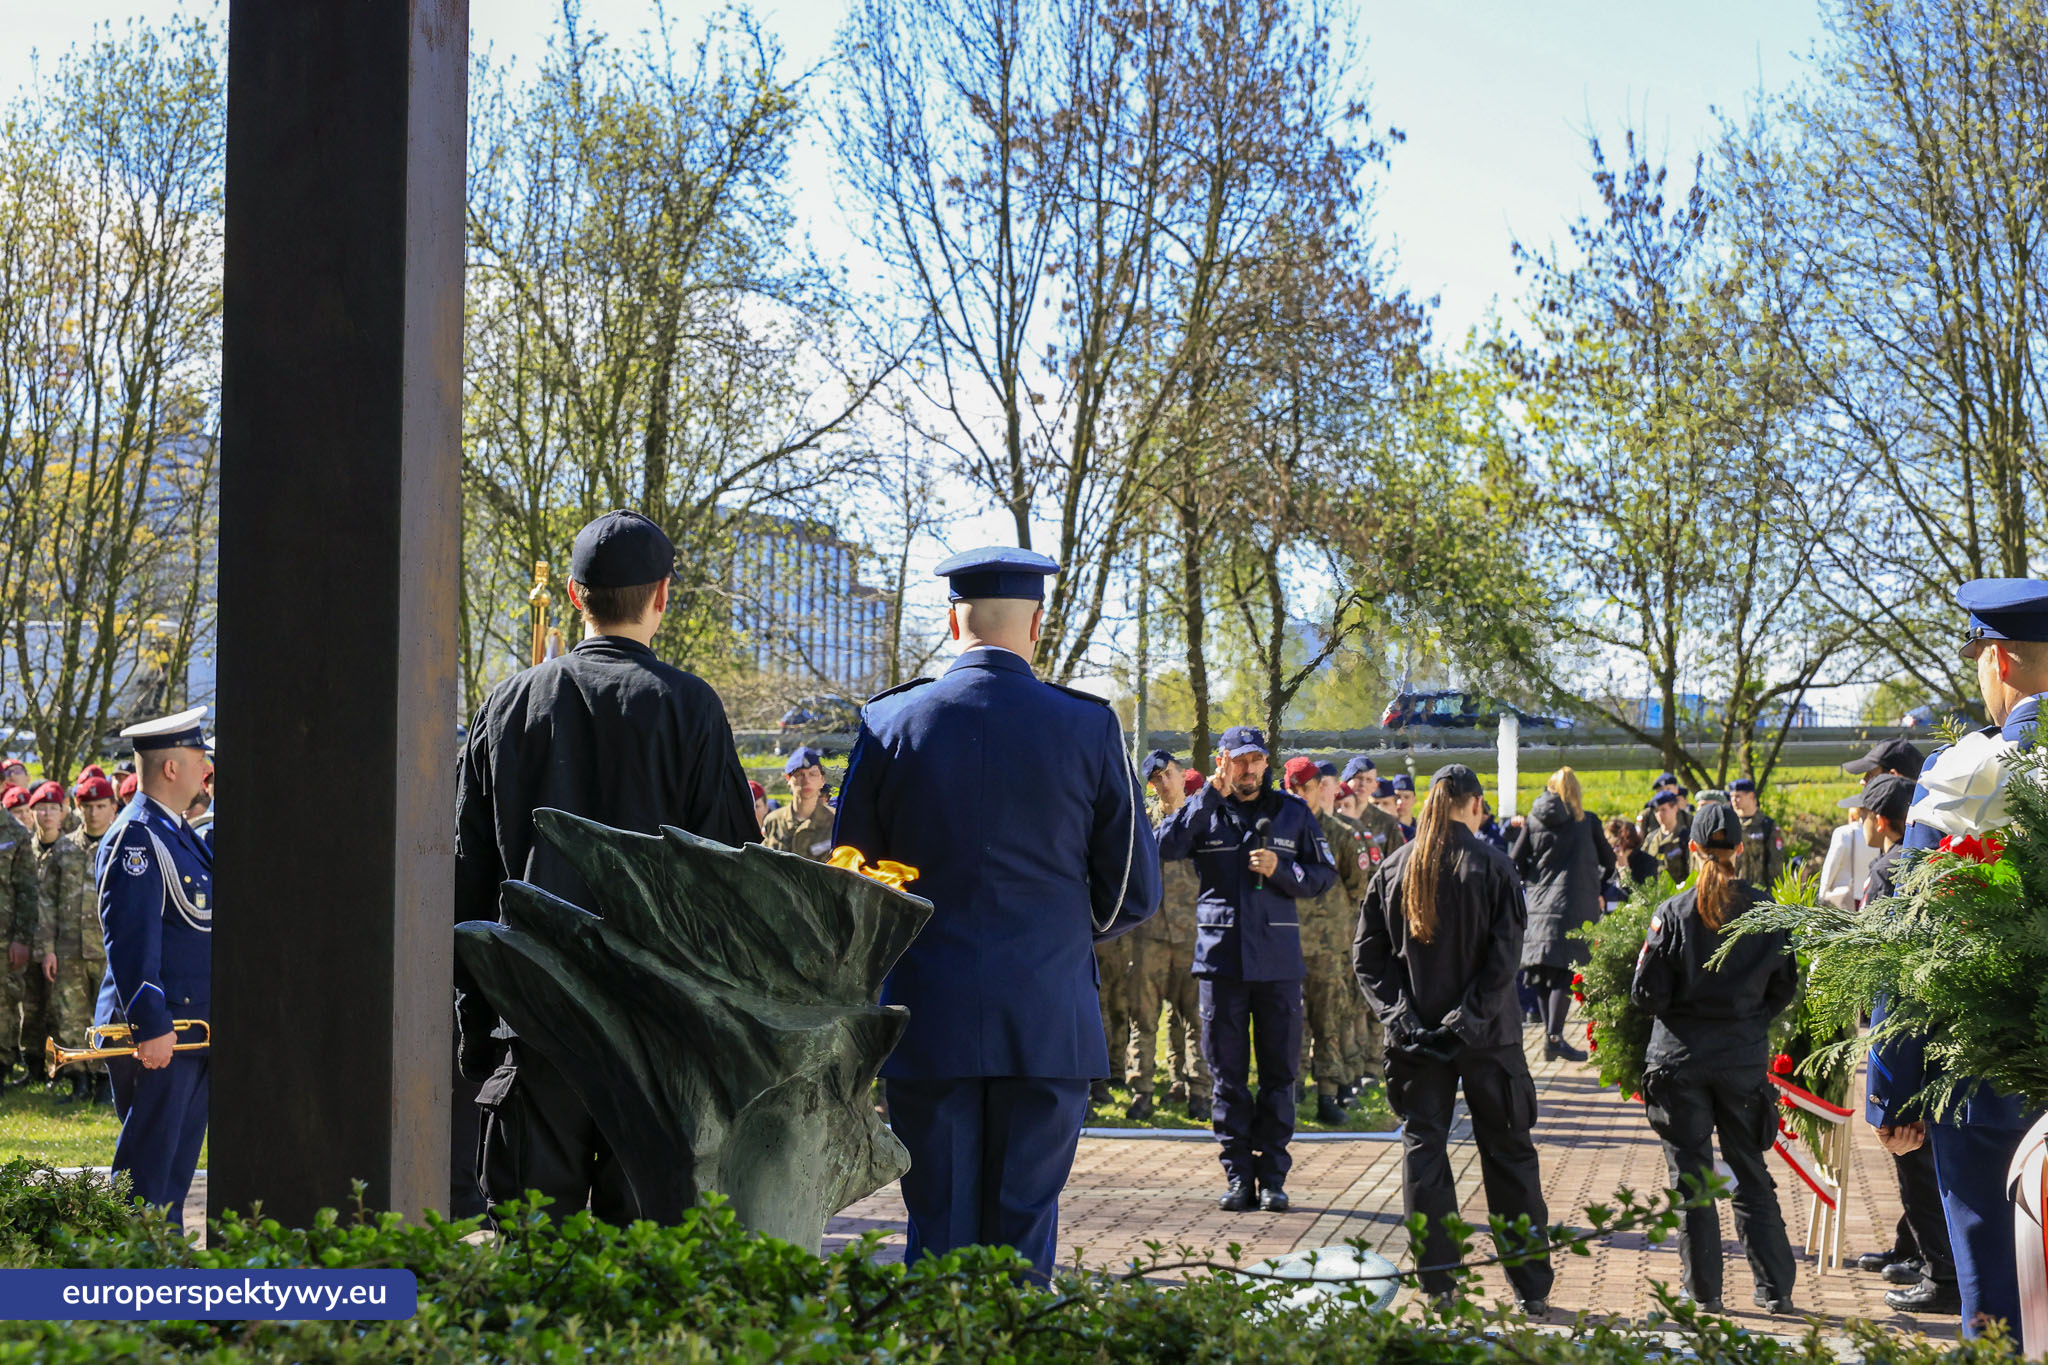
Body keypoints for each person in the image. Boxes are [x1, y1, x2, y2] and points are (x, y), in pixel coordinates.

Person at [832, 547, 1159, 1276]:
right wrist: (1055, 937)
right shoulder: (1089, 727)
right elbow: (1134, 890)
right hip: (1047, 1016)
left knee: (938, 1235)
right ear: (1037, 625)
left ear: (953, 619)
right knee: (1023, 1242)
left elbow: (849, 879)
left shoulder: (890, 722)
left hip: (928, 1013)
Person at [455, 509, 757, 1224]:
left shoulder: (506, 706)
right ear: (662, 594)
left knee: (532, 1255)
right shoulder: (690, 709)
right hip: (654, 1037)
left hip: (535, 1025)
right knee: (648, 1261)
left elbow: (466, 880)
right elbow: (733, 886)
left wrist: (476, 1028)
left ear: (572, 594)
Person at [1879, 579, 2048, 1339]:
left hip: (1986, 1086)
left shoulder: (1965, 775)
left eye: (1979, 655)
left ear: (2001, 659)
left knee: (2001, 1318)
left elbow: (1911, 945)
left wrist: (1894, 1088)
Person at [1354, 764, 1553, 1313]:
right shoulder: (1493, 866)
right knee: (1509, 1154)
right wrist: (1465, 1020)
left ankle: (1439, 1283)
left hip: (1420, 1042)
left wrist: (1402, 1018)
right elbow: (1504, 957)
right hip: (1488, 1040)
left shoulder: (1395, 867)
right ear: (1472, 805)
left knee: (1425, 1152)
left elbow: (1368, 958)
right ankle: (1531, 1287)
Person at [1628, 800, 1800, 1314]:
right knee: (1750, 1171)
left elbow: (1646, 993)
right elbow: (1784, 989)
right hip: (1741, 1061)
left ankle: (1702, 1291)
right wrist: (1745, 1018)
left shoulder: (1673, 914)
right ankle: (1775, 1290)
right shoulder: (1770, 913)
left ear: (1693, 849)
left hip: (1679, 1061)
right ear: (1742, 851)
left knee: (1693, 1179)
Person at [1156, 725, 1333, 1212]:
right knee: (1227, 1077)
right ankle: (1238, 1176)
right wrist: (1206, 797)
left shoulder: (1292, 813)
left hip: (1278, 965)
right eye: (1240, 761)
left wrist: (1284, 872)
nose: (1250, 769)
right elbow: (1164, 847)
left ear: (1266, 762)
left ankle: (1273, 1176)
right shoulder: (1206, 813)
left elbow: (1323, 875)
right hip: (1221, 964)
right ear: (1223, 762)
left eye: (1257, 760)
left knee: (1280, 1073)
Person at [1843, 773, 1958, 1316]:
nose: (1859, 822)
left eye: (1865, 813)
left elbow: (1892, 973)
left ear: (1885, 820)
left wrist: (1890, 1093)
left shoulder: (1896, 871)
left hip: (1916, 1042)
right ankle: (1925, 1255)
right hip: (1944, 1042)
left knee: (1916, 1161)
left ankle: (1940, 1272)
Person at [97, 707, 214, 1227]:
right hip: (164, 1034)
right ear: (172, 768)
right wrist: (152, 1025)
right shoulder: (138, 838)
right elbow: (130, 938)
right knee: (146, 1179)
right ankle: (129, 1287)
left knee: (170, 1174)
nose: (206, 768)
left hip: (191, 1033)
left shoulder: (177, 833)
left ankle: (157, 1282)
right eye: (199, 757)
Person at [1125, 750, 1210, 1122]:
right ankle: (1140, 1093)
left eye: (1168, 774)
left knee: (1197, 1018)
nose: (1163, 782)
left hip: (1193, 935)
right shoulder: (1142, 824)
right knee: (1143, 1019)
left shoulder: (1203, 822)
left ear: (1182, 774)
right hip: (1151, 937)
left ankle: (1200, 1093)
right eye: (1155, 778)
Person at [1283, 757, 1366, 1125]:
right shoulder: (1278, 835)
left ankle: (1328, 1092)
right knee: (1289, 1021)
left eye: (1314, 788)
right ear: (1291, 790)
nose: (1310, 796)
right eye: (1301, 789)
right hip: (1286, 942)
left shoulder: (1340, 834)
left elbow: (1356, 887)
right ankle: (1291, 1087)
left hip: (1330, 946)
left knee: (1328, 1020)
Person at [1512, 768, 1614, 1063]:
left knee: (1544, 972)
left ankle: (1550, 1037)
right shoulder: (1588, 822)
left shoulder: (1532, 821)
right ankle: (1554, 1038)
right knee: (1565, 973)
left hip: (1540, 906)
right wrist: (1598, 885)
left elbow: (1515, 862)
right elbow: (1608, 861)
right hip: (1575, 906)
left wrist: (1535, 876)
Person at [45, 775, 117, 1102]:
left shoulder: (121, 845)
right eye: (87, 806)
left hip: (108, 949)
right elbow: (46, 902)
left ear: (113, 807)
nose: (93, 813)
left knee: (108, 1018)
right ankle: (79, 1081)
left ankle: (105, 1082)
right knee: (71, 1016)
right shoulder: (64, 849)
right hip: (69, 949)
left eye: (101, 806)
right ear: (78, 807)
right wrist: (47, 948)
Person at [1820, 740, 1924, 911]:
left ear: (1893, 776)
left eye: (1870, 774)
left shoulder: (1902, 855)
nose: (1863, 781)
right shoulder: (1910, 838)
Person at [22, 782, 70, 1082]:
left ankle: (63, 1071)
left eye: (53, 808)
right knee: (29, 1007)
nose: (47, 814)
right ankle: (33, 1067)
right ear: (32, 812)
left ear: (63, 812)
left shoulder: (70, 850)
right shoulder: (22, 848)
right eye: (41, 808)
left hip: (62, 943)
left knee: (60, 1008)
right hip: (26, 939)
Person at [0, 783, 39, 1083]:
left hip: (4, 936)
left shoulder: (15, 834)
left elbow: (27, 891)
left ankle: (1, 1067)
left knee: (4, 1003)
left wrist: (22, 939)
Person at [759, 746, 836, 861]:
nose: (806, 781)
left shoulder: (835, 821)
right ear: (788, 779)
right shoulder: (774, 821)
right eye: (799, 774)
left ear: (822, 780)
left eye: (813, 774)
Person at [1728, 779, 1782, 890]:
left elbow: (1775, 863)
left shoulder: (1766, 825)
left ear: (1751, 796)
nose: (1734, 800)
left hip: (1760, 891)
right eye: (1731, 796)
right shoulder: (1729, 824)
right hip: (1734, 890)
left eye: (1738, 796)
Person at [1642, 790, 1690, 882]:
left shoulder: (1685, 837)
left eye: (1663, 809)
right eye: (1656, 811)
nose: (1659, 814)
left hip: (1679, 893)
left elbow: (1692, 870)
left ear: (1675, 808)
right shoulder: (1651, 838)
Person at [1607, 817, 1660, 888]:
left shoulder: (1647, 862)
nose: (1613, 850)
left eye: (1615, 846)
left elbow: (1641, 893)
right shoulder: (1611, 863)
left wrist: (1624, 869)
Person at [1390, 774, 1417, 840]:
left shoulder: (1422, 828)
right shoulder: (1386, 829)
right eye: (1397, 797)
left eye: (1407, 797)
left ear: (1414, 800)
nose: (1401, 802)